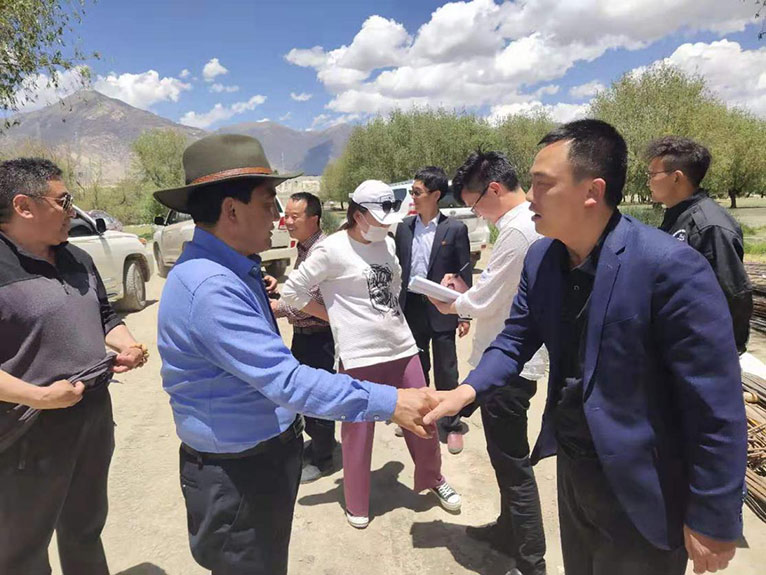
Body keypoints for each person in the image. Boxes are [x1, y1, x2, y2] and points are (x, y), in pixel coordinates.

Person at [425, 120, 747, 575]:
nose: (530, 197)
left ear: (592, 191)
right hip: (575, 473)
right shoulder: (542, 259)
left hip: (644, 489)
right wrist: (466, 391)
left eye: (542, 184)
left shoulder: (670, 268)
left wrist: (714, 515)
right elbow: (515, 339)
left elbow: (715, 402)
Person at [154, 135, 438, 575]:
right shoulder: (211, 287)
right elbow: (286, 380)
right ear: (231, 210)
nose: (278, 216)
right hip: (238, 474)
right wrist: (391, 401)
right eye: (268, 203)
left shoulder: (233, 268)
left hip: (257, 461)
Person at [282, 179, 462, 530]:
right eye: (378, 219)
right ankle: (356, 499)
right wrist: (332, 315)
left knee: (424, 415)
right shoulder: (331, 249)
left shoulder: (388, 244)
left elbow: (394, 286)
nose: (384, 226)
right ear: (358, 214)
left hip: (401, 345)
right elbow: (293, 291)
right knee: (358, 431)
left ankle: (433, 477)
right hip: (359, 354)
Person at [0, 158, 147, 575]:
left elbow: (104, 315)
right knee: (23, 549)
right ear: (24, 206)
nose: (73, 212)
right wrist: (40, 397)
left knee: (85, 527)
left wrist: (128, 344)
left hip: (92, 414)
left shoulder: (77, 257)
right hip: (28, 429)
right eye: (64, 202)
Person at [428, 151, 547, 575]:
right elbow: (502, 288)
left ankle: (531, 562)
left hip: (508, 365)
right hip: (505, 359)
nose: (477, 213)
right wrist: (466, 292)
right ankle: (507, 531)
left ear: (493, 189)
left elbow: (486, 299)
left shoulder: (517, 229)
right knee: (503, 459)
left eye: (475, 204)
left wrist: (452, 302)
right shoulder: (522, 225)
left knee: (513, 466)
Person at [645, 136, 752, 353]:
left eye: (653, 174)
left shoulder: (710, 226)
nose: (648, 181)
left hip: (700, 353)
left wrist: (724, 354)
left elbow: (733, 294)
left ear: (676, 177)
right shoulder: (677, 218)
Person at [394, 166, 472, 454]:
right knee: (416, 368)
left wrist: (464, 313)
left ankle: (451, 424)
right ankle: (421, 416)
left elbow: (464, 273)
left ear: (436, 195)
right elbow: (397, 269)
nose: (412, 197)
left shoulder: (454, 229)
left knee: (446, 368)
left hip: (442, 307)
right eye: (411, 192)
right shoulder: (404, 228)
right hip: (412, 308)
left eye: (417, 192)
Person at [271, 192, 339, 483]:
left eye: (294, 216)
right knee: (304, 395)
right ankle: (320, 445)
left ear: (314, 219)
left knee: (319, 396)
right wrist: (278, 289)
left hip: (320, 338)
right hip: (304, 336)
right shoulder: (304, 248)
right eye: (286, 215)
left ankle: (324, 459)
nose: (287, 221)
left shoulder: (321, 251)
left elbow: (311, 298)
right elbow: (298, 291)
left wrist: (275, 307)